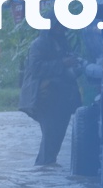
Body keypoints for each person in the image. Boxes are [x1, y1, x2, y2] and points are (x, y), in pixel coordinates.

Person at [19, 25, 82, 167]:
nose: (61, 30)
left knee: (55, 140)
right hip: (45, 98)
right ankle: (44, 169)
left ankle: (46, 170)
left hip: (63, 99)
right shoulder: (38, 44)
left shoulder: (63, 42)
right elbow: (36, 69)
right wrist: (62, 63)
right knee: (50, 140)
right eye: (58, 26)